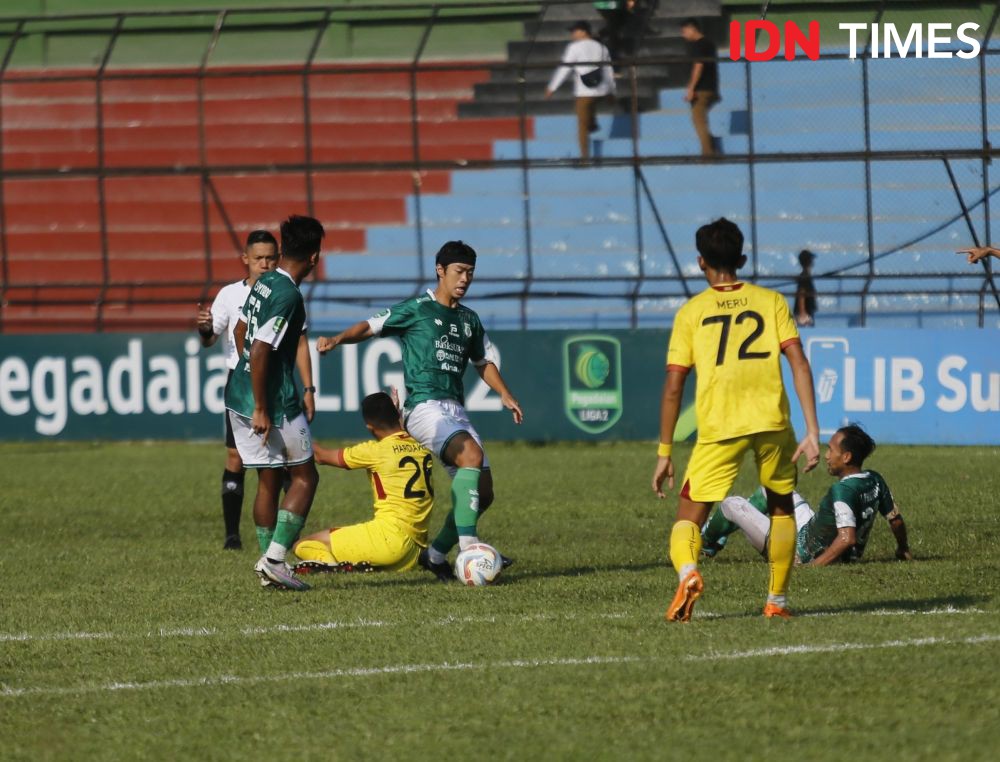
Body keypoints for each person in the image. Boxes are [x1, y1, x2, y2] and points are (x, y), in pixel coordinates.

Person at [316, 240, 523, 582]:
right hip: (424, 407)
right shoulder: (416, 309)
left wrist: (505, 394)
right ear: (440, 270)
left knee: (483, 494)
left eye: (470, 273)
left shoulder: (469, 320)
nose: (465, 279)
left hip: (454, 409)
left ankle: (436, 554)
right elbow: (369, 326)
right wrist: (337, 339)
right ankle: (470, 551)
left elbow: (483, 361)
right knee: (469, 456)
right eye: (459, 271)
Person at [651, 217, 821, 621]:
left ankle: (690, 572)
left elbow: (674, 386)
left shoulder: (692, 312)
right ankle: (776, 602)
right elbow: (798, 362)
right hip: (771, 422)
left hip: (719, 425)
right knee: (781, 507)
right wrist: (813, 430)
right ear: (742, 258)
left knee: (690, 514)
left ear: (699, 262)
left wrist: (664, 451)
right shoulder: (771, 301)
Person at [197, 232, 316, 550]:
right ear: (245, 259)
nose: (264, 263)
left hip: (248, 388)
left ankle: (270, 552)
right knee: (299, 474)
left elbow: (245, 332)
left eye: (270, 257)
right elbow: (250, 345)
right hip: (263, 392)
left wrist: (308, 387)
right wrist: (258, 390)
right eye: (258, 257)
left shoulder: (264, 288)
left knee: (271, 474)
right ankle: (262, 549)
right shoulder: (277, 294)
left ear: (279, 256)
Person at [225, 215, 325, 591]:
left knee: (267, 480)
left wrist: (249, 374)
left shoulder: (264, 281)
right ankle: (274, 559)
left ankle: (270, 567)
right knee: (305, 476)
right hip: (273, 401)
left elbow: (240, 332)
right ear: (314, 257)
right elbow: (262, 348)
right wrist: (263, 405)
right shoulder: (288, 295)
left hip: (237, 393)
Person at [702, 425, 912, 566]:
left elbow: (847, 539)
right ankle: (719, 534)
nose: (827, 456)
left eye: (831, 450)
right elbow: (896, 520)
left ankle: (706, 542)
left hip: (798, 553)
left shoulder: (843, 491)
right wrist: (902, 549)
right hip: (810, 533)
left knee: (733, 504)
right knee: (773, 490)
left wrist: (811, 567)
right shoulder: (874, 478)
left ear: (846, 457)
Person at [292, 391, 434, 574]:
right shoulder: (421, 446)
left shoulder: (375, 451)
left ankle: (332, 568)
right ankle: (357, 565)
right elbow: (399, 437)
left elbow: (319, 455)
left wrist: (293, 431)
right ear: (396, 415)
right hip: (415, 551)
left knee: (305, 544)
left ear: (370, 427)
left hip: (388, 541)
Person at [544, 20, 616, 160]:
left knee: (582, 125)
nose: (572, 34)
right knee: (591, 106)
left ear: (583, 32)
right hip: (601, 89)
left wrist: (552, 87)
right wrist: (611, 91)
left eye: (574, 31)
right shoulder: (601, 47)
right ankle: (593, 122)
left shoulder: (574, 48)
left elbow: (565, 68)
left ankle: (584, 157)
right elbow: (608, 70)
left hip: (584, 91)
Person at [680, 17, 719, 157]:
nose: (683, 35)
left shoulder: (698, 45)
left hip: (702, 89)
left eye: (684, 31)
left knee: (698, 119)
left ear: (692, 29)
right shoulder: (709, 43)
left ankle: (708, 154)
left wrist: (691, 88)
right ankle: (712, 146)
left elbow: (698, 66)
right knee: (700, 119)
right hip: (711, 87)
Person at [794, 249, 817, 327]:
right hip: (805, 313)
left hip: (807, 311)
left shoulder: (806, 275)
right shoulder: (805, 276)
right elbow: (801, 294)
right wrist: (802, 312)